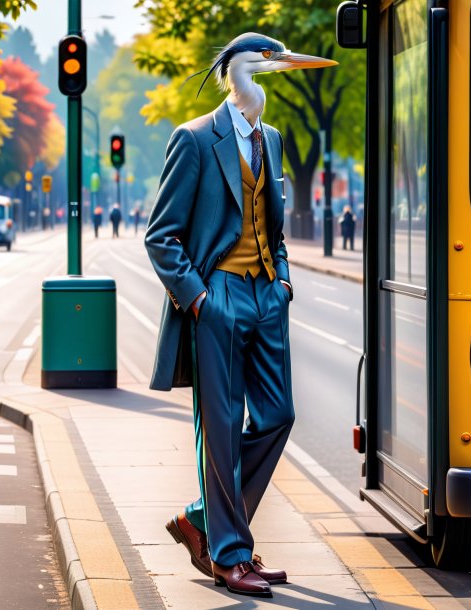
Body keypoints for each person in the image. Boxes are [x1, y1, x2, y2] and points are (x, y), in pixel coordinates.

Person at [145, 33, 335, 599]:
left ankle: (202, 520)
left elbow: (269, 222)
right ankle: (230, 556)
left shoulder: (270, 137)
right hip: (218, 296)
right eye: (271, 57)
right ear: (240, 68)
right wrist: (200, 298)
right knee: (222, 432)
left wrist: (282, 278)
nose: (281, 63)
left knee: (278, 416)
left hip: (266, 296)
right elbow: (162, 235)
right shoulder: (196, 138)